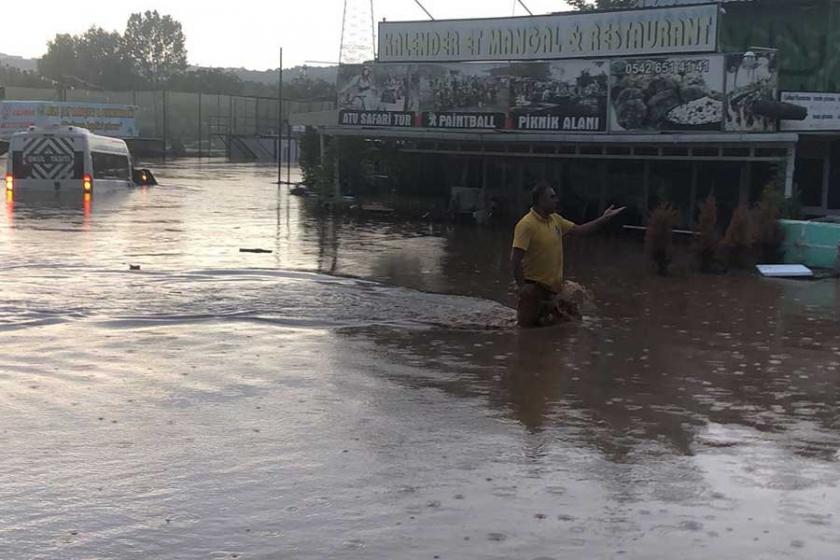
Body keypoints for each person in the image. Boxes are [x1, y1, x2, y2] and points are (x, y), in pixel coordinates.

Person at [511, 181, 625, 327]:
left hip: (553, 290)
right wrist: (522, 287)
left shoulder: (556, 220)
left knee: (573, 323)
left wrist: (604, 219)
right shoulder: (526, 225)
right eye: (552, 197)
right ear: (540, 200)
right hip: (533, 290)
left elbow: (581, 230)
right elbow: (515, 259)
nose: (556, 200)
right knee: (525, 333)